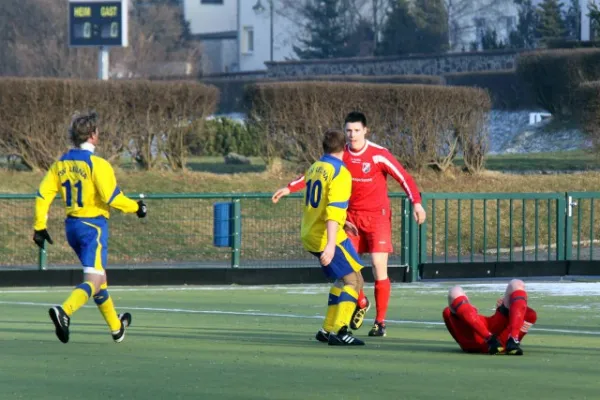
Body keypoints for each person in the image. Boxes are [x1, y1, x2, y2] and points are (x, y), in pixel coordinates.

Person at [273, 111, 426, 337]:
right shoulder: (340, 155)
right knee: (349, 270)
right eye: (348, 131)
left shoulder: (378, 155)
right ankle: (360, 302)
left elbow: (404, 177)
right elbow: (315, 173)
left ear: (365, 131)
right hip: (349, 218)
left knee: (377, 264)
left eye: (356, 130)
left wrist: (417, 203)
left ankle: (380, 323)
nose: (352, 135)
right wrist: (289, 187)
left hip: (377, 216)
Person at [33, 111, 147, 344]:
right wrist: (137, 207)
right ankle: (64, 311)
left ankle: (117, 327)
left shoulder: (60, 164)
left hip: (72, 227)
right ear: (93, 136)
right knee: (94, 280)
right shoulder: (98, 164)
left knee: (99, 279)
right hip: (92, 226)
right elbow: (112, 197)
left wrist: (39, 226)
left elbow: (43, 194)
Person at [302, 128, 365, 346]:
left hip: (311, 231)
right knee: (354, 281)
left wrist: (343, 222)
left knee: (347, 278)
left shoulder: (315, 167)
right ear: (344, 148)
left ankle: (326, 330)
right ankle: (340, 331)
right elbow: (333, 210)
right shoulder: (340, 172)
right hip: (327, 236)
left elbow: (320, 205)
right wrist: (330, 245)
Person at [442, 279, 538, 355]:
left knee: (455, 291)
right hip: (490, 339)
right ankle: (509, 339)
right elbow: (530, 315)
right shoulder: (450, 313)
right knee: (517, 283)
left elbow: (456, 334)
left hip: (481, 338)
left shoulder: (449, 312)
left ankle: (509, 339)